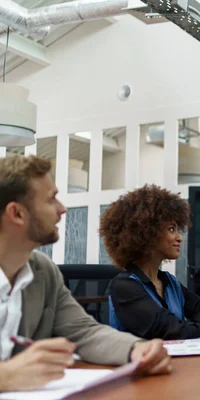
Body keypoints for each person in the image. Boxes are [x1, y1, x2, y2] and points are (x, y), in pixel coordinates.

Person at [0, 155, 171, 392]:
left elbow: (83, 332)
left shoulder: (43, 271)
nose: (62, 209)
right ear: (17, 213)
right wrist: (6, 376)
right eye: (51, 200)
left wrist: (135, 349)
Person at [101, 185, 200, 340]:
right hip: (140, 368)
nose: (179, 237)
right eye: (171, 229)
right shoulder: (124, 287)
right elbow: (169, 329)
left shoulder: (170, 284)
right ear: (146, 233)